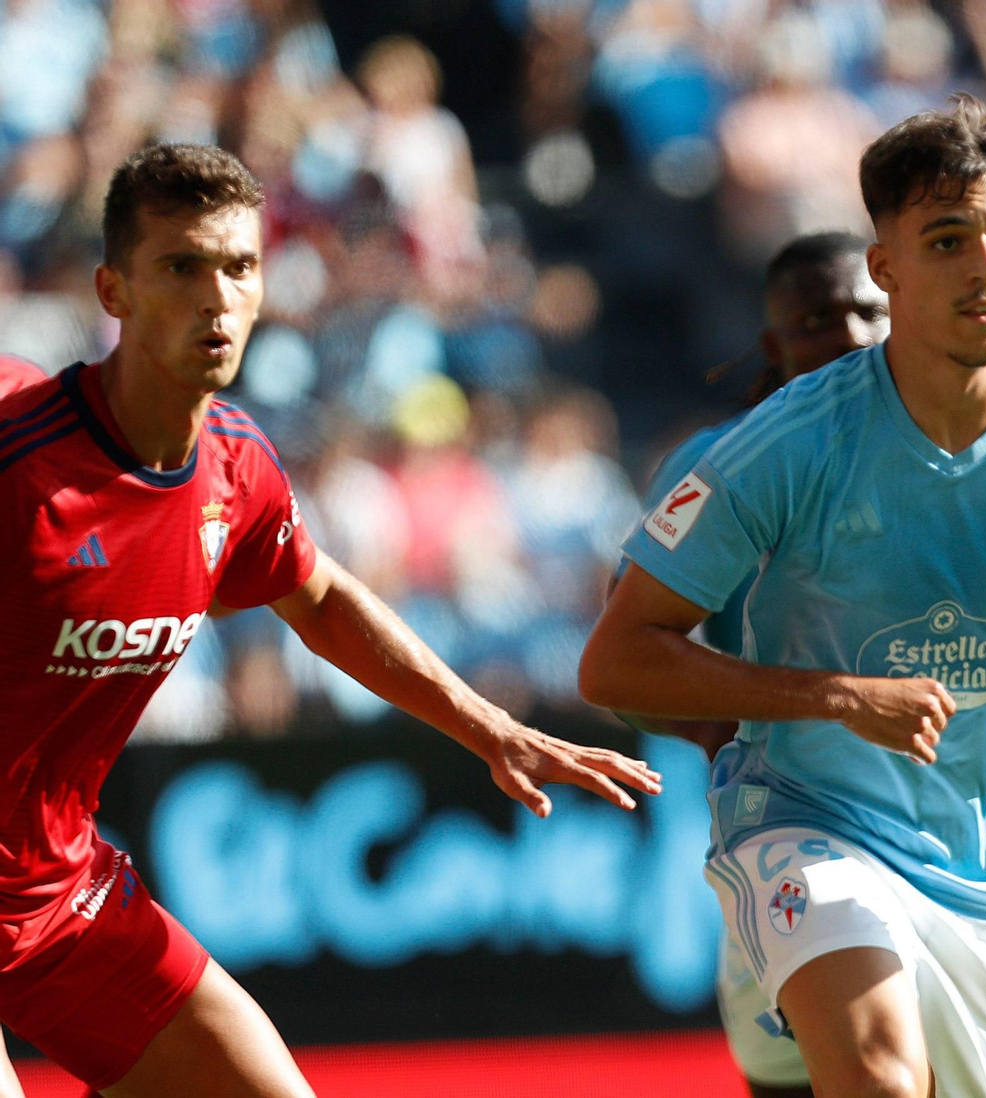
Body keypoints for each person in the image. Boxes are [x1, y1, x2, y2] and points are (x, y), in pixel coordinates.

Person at [581, 95, 986, 1098]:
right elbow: (616, 660)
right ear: (885, 266)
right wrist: (837, 698)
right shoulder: (783, 446)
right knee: (880, 1078)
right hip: (802, 819)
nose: (985, 268)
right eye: (947, 239)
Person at [0, 143, 660, 1098]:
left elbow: (323, 604)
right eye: (180, 267)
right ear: (114, 290)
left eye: (239, 266)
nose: (215, 297)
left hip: (60, 897)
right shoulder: (20, 453)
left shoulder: (237, 467)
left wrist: (493, 730)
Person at [624, 230, 986, 1097]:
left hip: (951, 820)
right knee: (822, 1075)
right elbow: (625, 658)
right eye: (818, 319)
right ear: (774, 346)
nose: (849, 333)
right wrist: (734, 723)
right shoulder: (725, 465)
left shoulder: (965, 440)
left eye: (866, 310)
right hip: (798, 811)